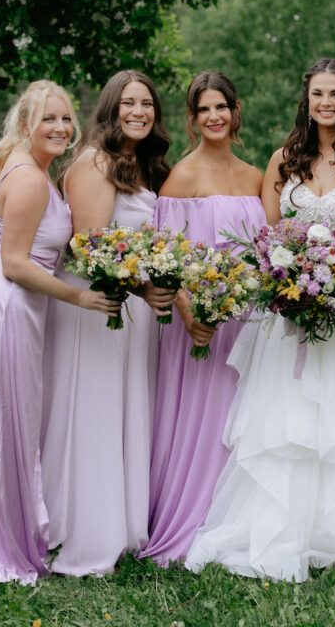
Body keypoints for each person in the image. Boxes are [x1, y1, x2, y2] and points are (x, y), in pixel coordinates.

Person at [185, 59, 335, 582]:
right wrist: (287, 282)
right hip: (285, 315)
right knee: (285, 427)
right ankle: (285, 530)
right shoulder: (282, 160)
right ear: (306, 99)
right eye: (317, 93)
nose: (326, 103)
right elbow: (269, 236)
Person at [0, 81, 119, 585]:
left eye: (65, 120)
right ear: (25, 124)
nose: (59, 128)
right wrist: (80, 296)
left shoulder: (30, 167)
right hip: (1, 305)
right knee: (2, 416)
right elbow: (15, 263)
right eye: (48, 120)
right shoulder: (32, 180)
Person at [39, 70, 173, 576]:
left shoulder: (143, 166)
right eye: (129, 104)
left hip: (130, 309)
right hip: (96, 309)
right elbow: (89, 245)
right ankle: (84, 529)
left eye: (147, 104)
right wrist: (142, 286)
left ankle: (122, 524)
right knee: (92, 413)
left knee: (122, 411)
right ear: (111, 109)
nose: (139, 112)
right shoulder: (94, 162)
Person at [141, 71, 266, 566]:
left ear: (236, 112)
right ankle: (190, 518)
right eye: (204, 110)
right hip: (199, 325)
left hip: (247, 322)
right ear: (192, 120)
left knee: (242, 419)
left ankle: (235, 521)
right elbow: (168, 258)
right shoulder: (182, 179)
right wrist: (193, 316)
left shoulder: (256, 176)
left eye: (223, 107)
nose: (215, 117)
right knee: (201, 419)